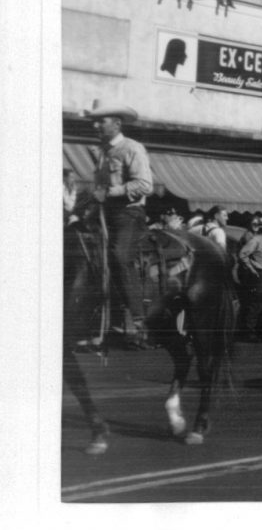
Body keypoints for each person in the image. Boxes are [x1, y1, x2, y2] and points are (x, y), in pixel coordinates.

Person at [85, 99, 154, 349]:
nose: (95, 126)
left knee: (118, 257)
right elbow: (98, 190)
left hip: (129, 214)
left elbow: (145, 185)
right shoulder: (102, 153)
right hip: (106, 215)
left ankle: (137, 319)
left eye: (100, 121)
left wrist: (111, 193)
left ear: (116, 123)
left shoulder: (132, 148)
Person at [237, 216, 262, 339]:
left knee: (258, 302)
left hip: (261, 271)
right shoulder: (256, 240)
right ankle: (248, 331)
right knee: (254, 302)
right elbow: (243, 254)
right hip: (256, 272)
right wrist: (252, 269)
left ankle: (251, 329)